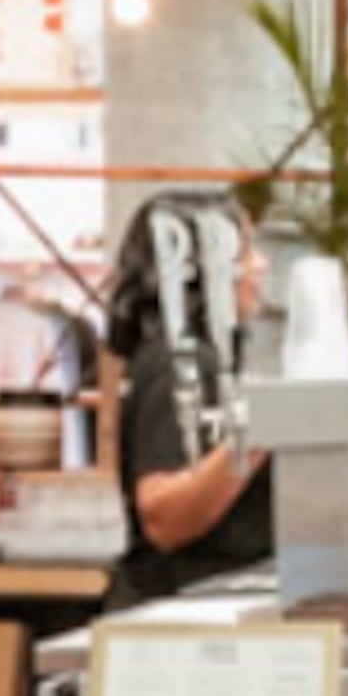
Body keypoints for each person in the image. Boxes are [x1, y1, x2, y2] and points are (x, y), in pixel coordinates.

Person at [103, 192, 273, 612]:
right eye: (246, 251)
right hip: (177, 616)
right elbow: (162, 516)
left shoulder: (200, 360)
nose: (261, 266)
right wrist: (260, 429)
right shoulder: (178, 363)